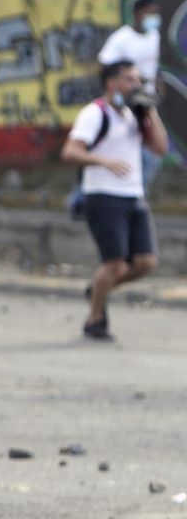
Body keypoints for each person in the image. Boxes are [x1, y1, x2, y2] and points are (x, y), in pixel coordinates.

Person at [60, 60, 168, 341]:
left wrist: (150, 110)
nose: (136, 85)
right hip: (103, 196)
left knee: (146, 262)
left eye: (138, 80)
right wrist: (103, 161)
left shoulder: (133, 115)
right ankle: (95, 321)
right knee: (116, 264)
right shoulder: (95, 114)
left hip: (133, 196)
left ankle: (98, 289)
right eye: (130, 80)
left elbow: (160, 148)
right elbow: (70, 152)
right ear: (113, 82)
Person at [97, 0, 164, 194]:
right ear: (138, 13)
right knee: (124, 151)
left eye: (156, 13)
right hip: (126, 106)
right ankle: (83, 198)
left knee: (153, 151)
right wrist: (129, 84)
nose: (155, 17)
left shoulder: (154, 37)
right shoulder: (121, 39)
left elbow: (153, 67)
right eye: (151, 13)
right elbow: (103, 67)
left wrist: (156, 82)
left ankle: (134, 193)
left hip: (147, 104)